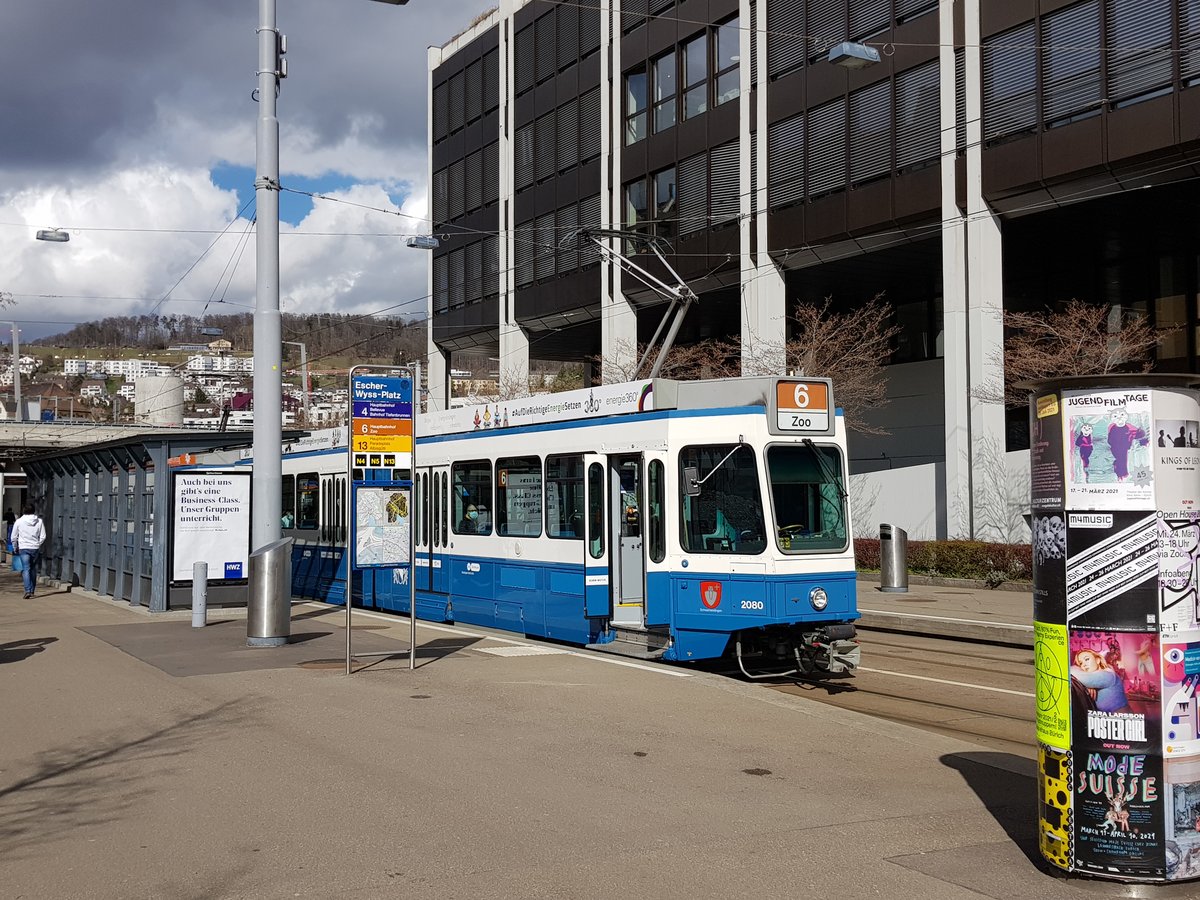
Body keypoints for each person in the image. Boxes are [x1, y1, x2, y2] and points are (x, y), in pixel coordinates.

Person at [1071, 648, 1132, 714]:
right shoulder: (1095, 679)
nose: (1084, 665)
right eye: (1080, 663)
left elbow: (1071, 671)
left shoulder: (1108, 675)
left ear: (1097, 660)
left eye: (1087, 659)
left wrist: (1087, 683)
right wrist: (1087, 686)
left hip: (1122, 719)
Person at [10, 502, 46, 599]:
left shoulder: (19, 521)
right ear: (33, 510)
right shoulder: (39, 521)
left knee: (26, 569)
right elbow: (43, 536)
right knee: (33, 569)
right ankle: (32, 590)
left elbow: (13, 537)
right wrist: (38, 543)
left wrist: (15, 547)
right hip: (34, 548)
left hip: (23, 547)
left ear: (23, 510)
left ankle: (27, 590)